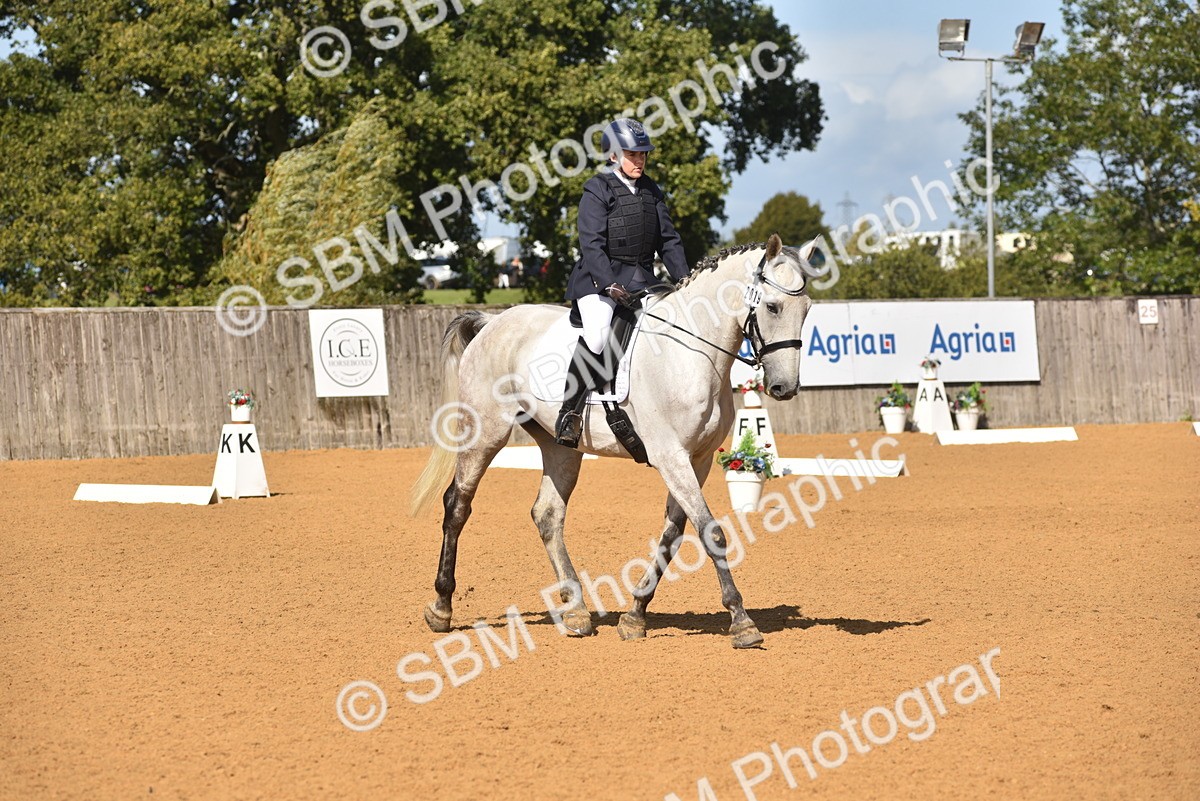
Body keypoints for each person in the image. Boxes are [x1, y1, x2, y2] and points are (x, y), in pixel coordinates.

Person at [554, 118, 691, 447]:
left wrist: (686, 282)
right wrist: (610, 285)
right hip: (598, 280)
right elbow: (591, 245)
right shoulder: (597, 188)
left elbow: (669, 241)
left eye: (643, 155)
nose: (640, 160)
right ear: (613, 155)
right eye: (633, 154)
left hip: (643, 278)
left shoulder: (652, 190)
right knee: (599, 334)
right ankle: (569, 413)